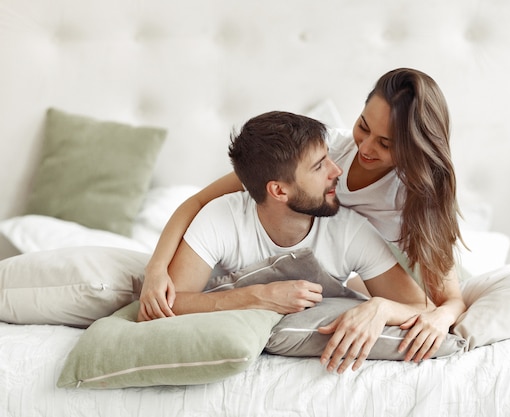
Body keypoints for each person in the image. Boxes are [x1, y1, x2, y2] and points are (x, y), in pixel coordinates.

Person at [139, 67, 466, 357]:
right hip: (333, 258)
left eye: (386, 143)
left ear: (413, 146)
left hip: (392, 260)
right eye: (363, 126)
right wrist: (156, 268)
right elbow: (199, 201)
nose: (364, 149)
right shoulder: (324, 149)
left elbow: (447, 300)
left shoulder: (414, 198)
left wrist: (397, 310)